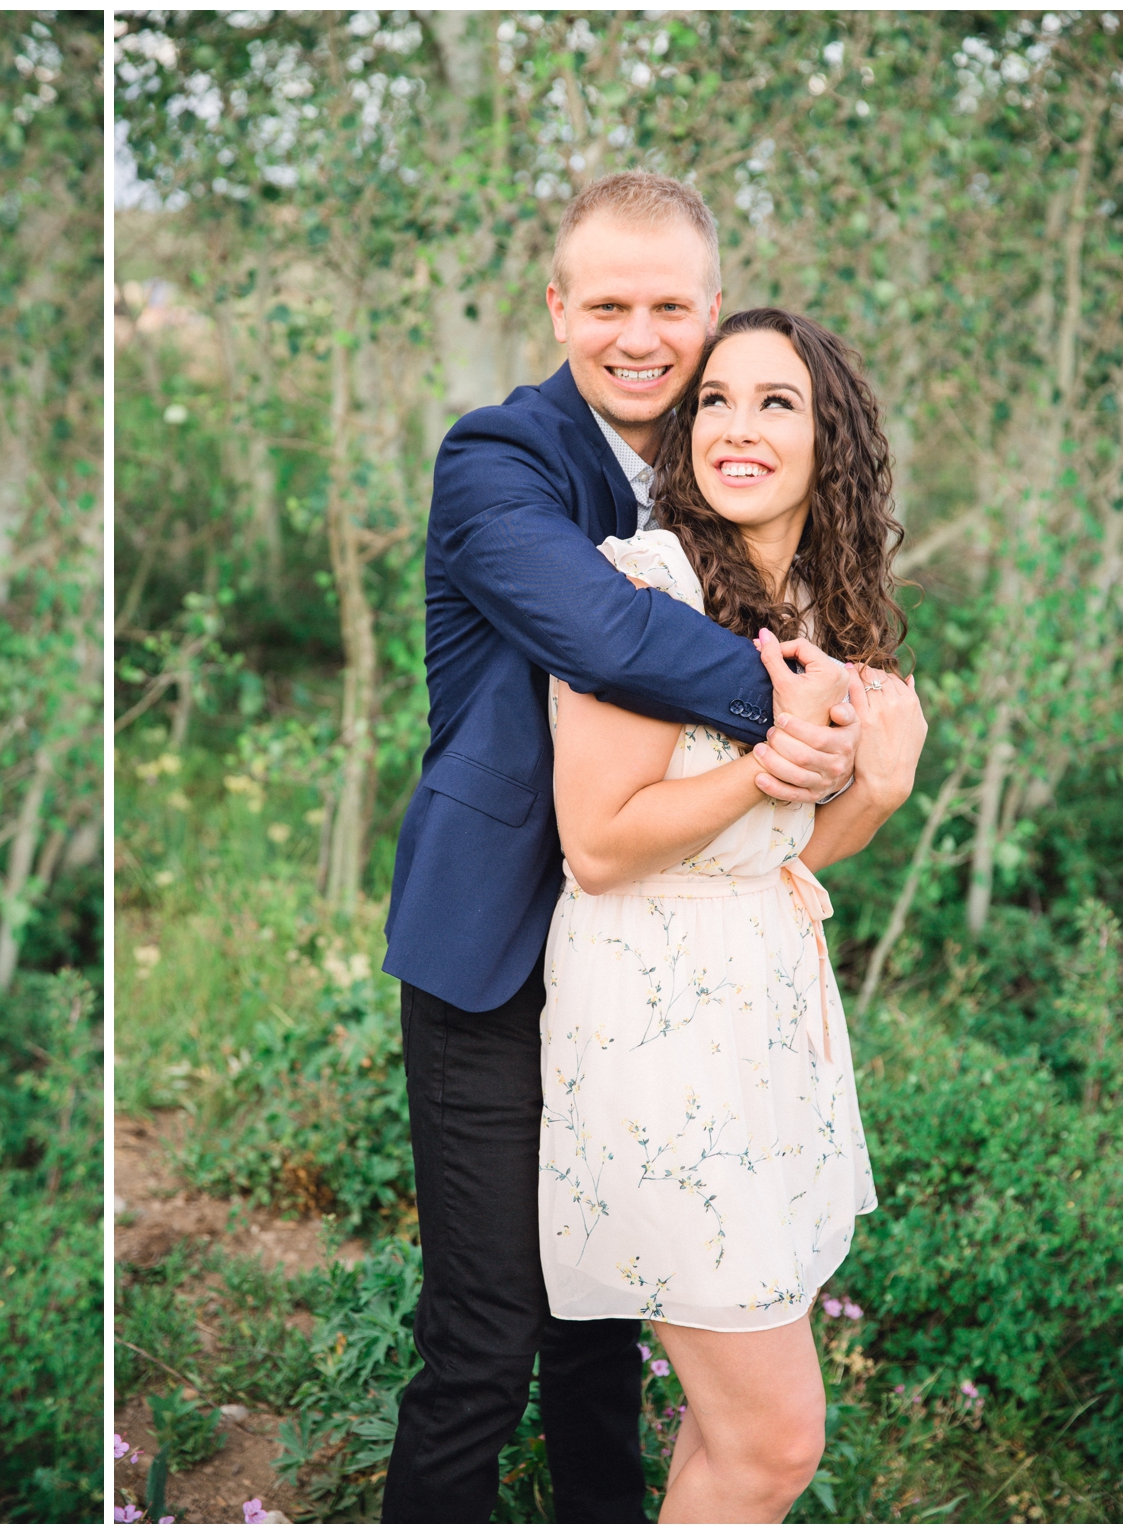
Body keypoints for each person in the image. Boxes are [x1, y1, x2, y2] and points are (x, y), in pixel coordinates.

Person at [380, 172, 864, 1522]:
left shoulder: (731, 474)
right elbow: (602, 634)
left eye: (669, 307)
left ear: (711, 312)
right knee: (483, 1338)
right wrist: (795, 701)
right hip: (497, 951)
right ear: (558, 307)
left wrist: (857, 726)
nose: (639, 337)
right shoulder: (501, 458)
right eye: (607, 305)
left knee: (605, 1333)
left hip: (658, 978)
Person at [542, 307, 925, 1522]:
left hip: (760, 1019)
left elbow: (789, 854)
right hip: (655, 1035)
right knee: (773, 1443)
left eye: (774, 402)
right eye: (712, 399)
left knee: (727, 1431)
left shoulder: (813, 610)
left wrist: (877, 785)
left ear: (833, 441)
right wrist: (764, 764)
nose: (734, 427)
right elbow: (596, 843)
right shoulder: (640, 584)